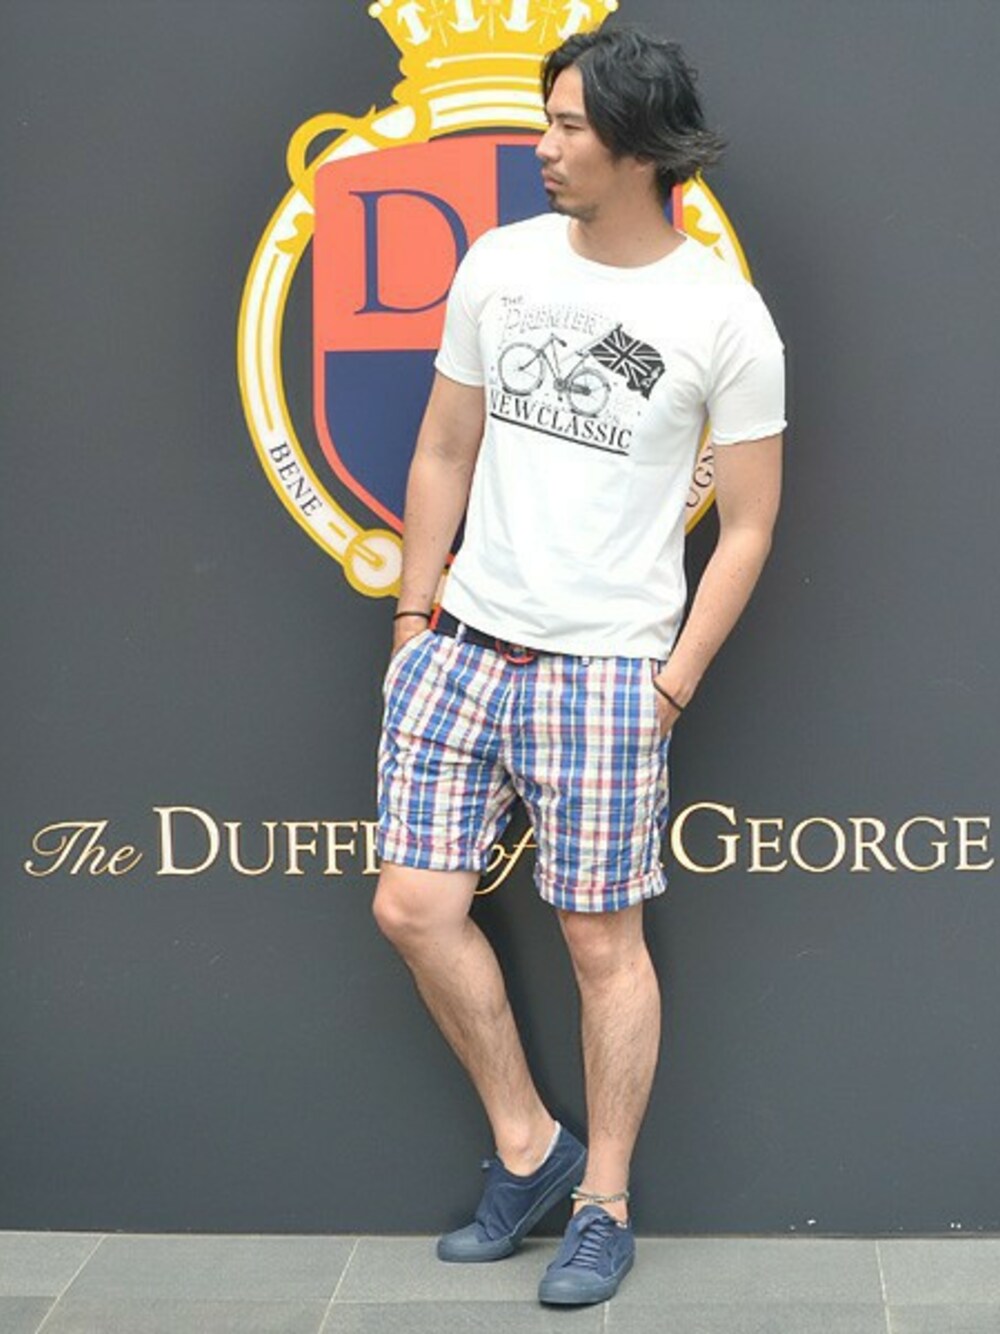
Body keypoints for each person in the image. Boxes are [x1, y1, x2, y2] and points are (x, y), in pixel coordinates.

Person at [373, 22, 785, 1307]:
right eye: (545, 121)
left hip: (607, 671)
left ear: (639, 148)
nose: (541, 147)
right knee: (411, 905)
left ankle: (602, 1198)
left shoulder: (721, 314)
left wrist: (670, 682)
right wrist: (413, 618)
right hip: (461, 648)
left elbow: (749, 524)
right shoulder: (498, 264)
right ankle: (528, 1147)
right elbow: (444, 448)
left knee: (602, 944)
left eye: (566, 127)